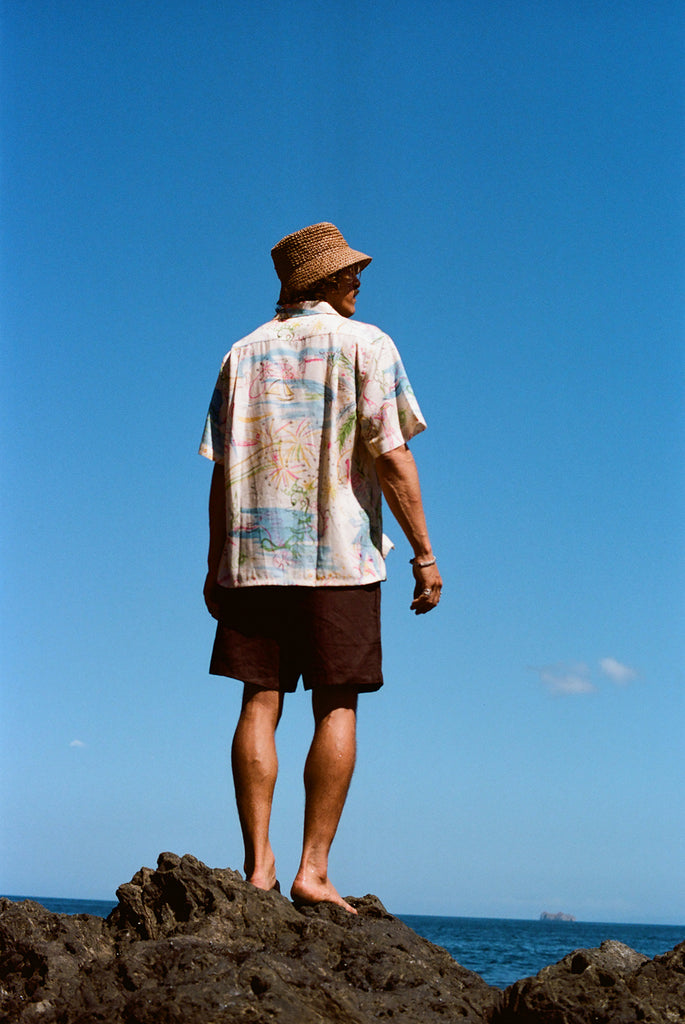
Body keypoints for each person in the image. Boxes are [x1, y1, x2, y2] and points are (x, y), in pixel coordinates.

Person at [200, 222, 442, 913]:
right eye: (348, 275)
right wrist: (424, 553)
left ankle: (259, 868)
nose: (357, 282)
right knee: (336, 701)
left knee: (258, 699)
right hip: (340, 555)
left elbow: (218, 476)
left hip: (251, 558)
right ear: (323, 283)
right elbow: (392, 457)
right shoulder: (368, 344)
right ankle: (312, 869)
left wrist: (216, 561)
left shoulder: (238, 355)